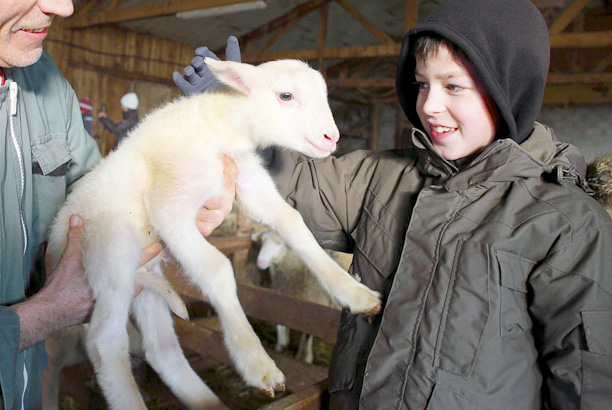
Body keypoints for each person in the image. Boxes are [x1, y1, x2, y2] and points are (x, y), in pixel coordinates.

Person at [176, 0, 612, 408]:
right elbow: (298, 182)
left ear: (508, 89)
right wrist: (238, 114)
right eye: (422, 84)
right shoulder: (383, 177)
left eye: (453, 86)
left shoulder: (566, 224)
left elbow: (587, 381)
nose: (429, 105)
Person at [0, 2, 235, 409]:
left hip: (26, 389)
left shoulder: (44, 78)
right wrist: (42, 316)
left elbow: (95, 189)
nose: (64, 7)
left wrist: (195, 141)